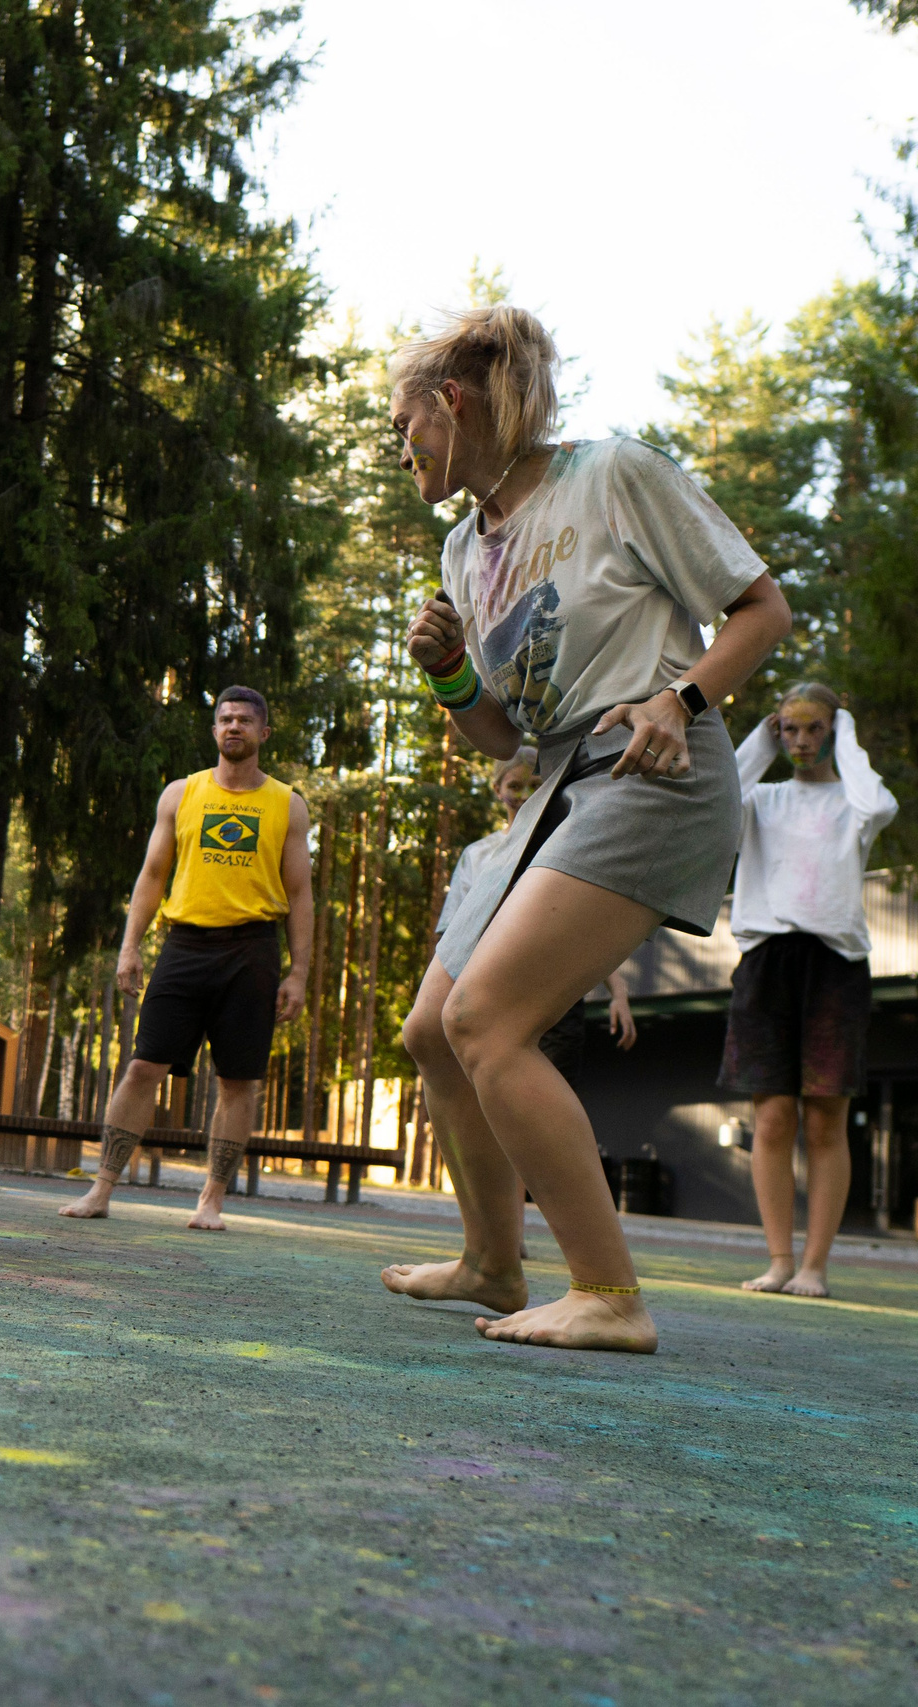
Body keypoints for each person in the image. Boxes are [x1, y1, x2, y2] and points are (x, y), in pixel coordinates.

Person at [378, 305, 791, 1354]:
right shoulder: (463, 548)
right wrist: (445, 672)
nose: (401, 448)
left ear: (453, 404)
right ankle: (491, 1260)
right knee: (433, 1028)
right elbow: (497, 733)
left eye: (404, 425)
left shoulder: (610, 475)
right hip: (560, 778)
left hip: (654, 766)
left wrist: (677, 703)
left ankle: (609, 1293)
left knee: (488, 1023)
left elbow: (760, 612)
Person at [57, 687, 315, 1230]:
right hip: (184, 945)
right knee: (142, 1066)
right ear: (214, 730)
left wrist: (298, 973)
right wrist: (130, 946)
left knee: (237, 1080)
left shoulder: (287, 804)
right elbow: (152, 877)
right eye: (225, 719)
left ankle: (211, 1201)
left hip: (253, 950)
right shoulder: (181, 793)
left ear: (264, 733)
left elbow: (301, 893)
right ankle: (101, 1189)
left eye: (245, 720)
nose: (234, 727)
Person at [720, 682, 897, 1298]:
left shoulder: (852, 803)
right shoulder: (762, 799)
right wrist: (760, 742)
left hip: (835, 966)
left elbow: (879, 805)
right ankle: (778, 1260)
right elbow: (720, 793)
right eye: (789, 729)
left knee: (825, 1119)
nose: (801, 740)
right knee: (771, 1119)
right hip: (765, 961)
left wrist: (845, 729)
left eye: (814, 728)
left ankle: (816, 1266)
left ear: (834, 729)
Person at [437, 748, 640, 1088]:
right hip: (491, 989)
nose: (524, 796)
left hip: (556, 995)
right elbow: (450, 935)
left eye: (535, 784)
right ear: (497, 789)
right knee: (492, 1088)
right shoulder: (479, 855)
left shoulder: (567, 850)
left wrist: (618, 993)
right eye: (515, 786)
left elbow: (587, 928)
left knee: (552, 1084)